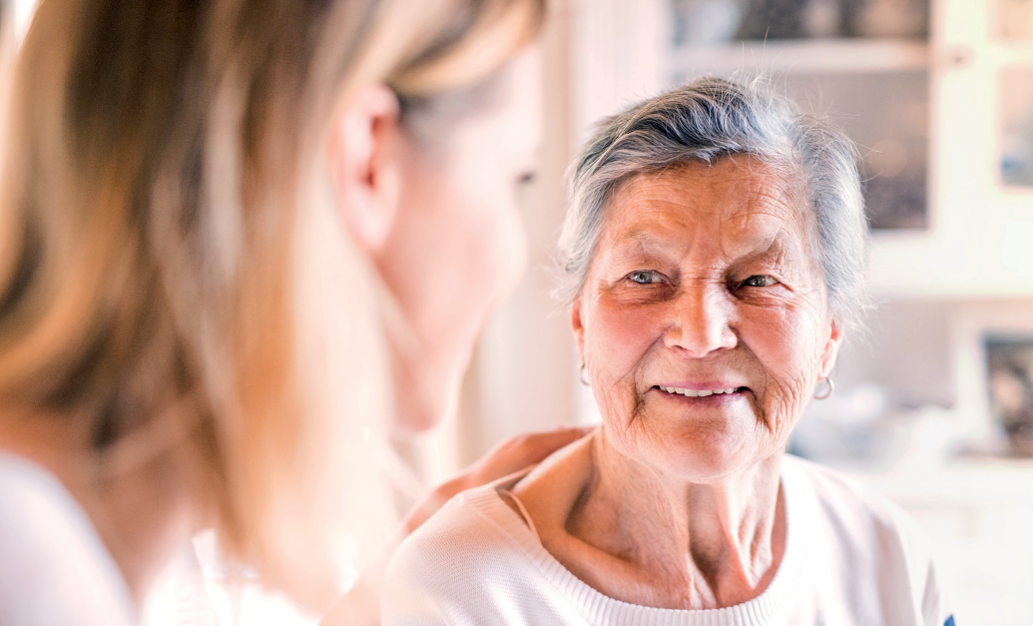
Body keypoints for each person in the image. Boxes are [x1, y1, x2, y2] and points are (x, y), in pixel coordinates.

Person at [0, 0, 585, 623]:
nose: (517, 259)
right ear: (368, 160)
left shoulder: (82, 547)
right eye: (516, 176)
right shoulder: (29, 572)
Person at [383, 76, 954, 625]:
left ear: (829, 334)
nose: (701, 335)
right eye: (644, 277)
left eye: (757, 280)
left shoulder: (888, 557)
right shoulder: (462, 589)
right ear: (581, 323)